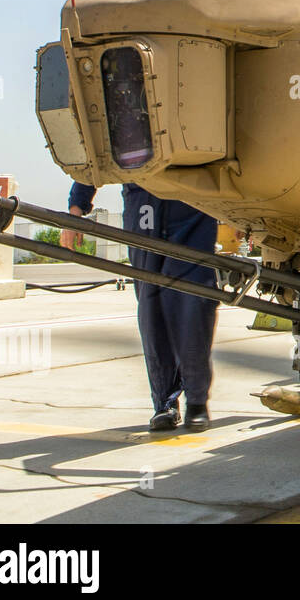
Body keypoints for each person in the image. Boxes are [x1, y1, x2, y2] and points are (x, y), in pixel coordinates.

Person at [64, 182, 219, 432]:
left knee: (194, 304)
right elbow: (99, 151)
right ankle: (165, 403)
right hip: (143, 205)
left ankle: (197, 402)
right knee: (152, 309)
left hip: (193, 202)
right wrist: (76, 208)